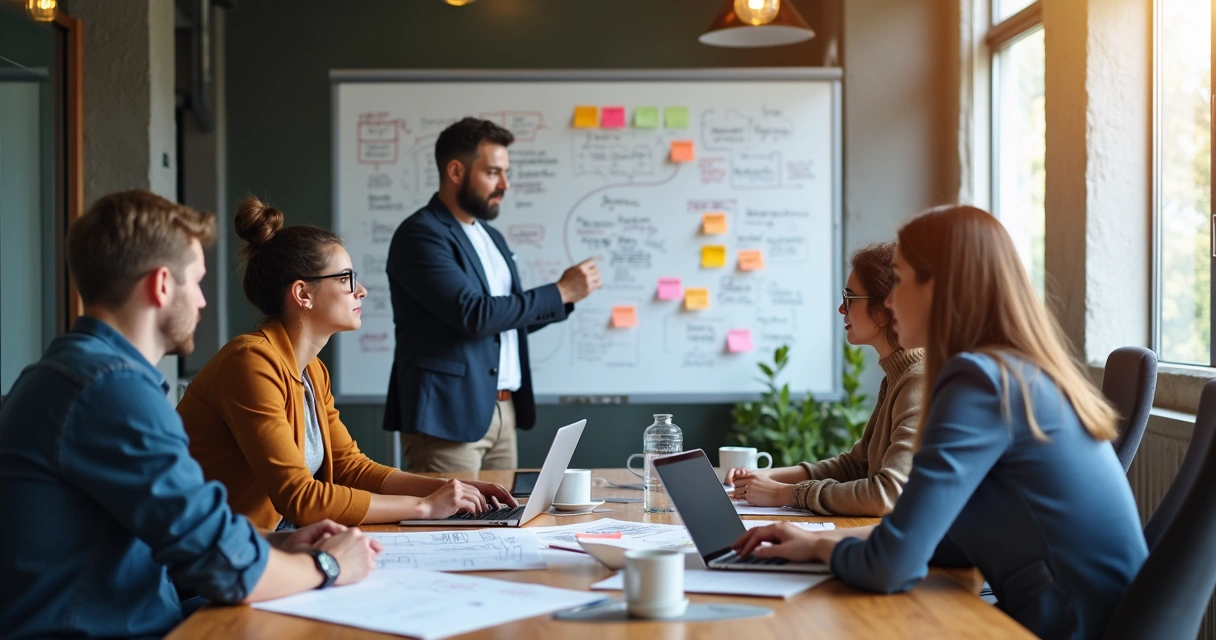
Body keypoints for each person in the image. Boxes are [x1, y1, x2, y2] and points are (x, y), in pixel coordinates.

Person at [734, 206, 1147, 639]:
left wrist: (820, 546)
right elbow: (942, 536)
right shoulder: (1015, 372)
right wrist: (820, 541)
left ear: (941, 288)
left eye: (899, 279)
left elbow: (891, 566)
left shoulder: (979, 382)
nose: (890, 301)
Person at [0, 191, 381, 638]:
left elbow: (183, 532)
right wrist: (329, 563)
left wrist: (277, 541)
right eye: (195, 282)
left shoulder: (70, 373)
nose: (201, 302)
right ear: (161, 285)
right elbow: (223, 566)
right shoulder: (111, 391)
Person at [178, 197, 517, 530]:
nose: (361, 291)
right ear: (302, 294)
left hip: (272, 543)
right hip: (212, 562)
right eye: (345, 279)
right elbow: (300, 498)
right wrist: (425, 507)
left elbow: (350, 468)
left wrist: (451, 489)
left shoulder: (311, 370)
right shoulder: (251, 362)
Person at [384, 117, 602, 472]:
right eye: (493, 172)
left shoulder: (491, 237)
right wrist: (559, 291)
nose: (505, 184)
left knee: (503, 526)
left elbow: (502, 324)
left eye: (505, 172)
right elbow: (473, 315)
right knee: (448, 529)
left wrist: (565, 299)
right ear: (456, 171)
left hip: (503, 412)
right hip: (448, 416)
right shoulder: (420, 235)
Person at [726, 242, 923, 516]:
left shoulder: (919, 381)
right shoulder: (898, 376)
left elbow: (886, 495)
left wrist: (784, 493)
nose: (842, 309)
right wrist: (764, 476)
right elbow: (855, 466)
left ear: (884, 309)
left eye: (850, 298)